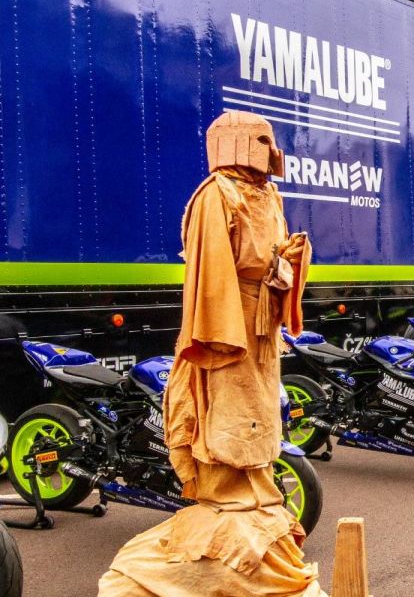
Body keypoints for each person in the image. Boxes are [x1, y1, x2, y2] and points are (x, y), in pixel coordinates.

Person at [100, 112, 321, 594]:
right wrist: (220, 333)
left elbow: (271, 253)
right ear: (236, 143)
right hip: (230, 327)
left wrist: (289, 262)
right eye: (262, 139)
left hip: (263, 327)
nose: (270, 148)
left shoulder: (268, 193)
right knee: (225, 408)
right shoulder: (216, 194)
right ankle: (226, 492)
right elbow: (212, 271)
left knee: (261, 410)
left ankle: (256, 492)